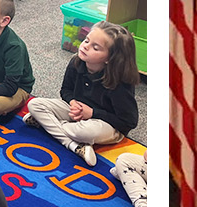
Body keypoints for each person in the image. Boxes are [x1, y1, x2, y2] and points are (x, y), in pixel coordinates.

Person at [25, 23, 139, 167]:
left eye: (95, 47)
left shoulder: (119, 82)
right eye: (86, 40)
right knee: (34, 104)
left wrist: (92, 113)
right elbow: (65, 90)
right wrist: (72, 102)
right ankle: (74, 145)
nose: (85, 46)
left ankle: (48, 124)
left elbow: (128, 121)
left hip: (107, 124)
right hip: (77, 112)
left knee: (83, 133)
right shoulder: (76, 62)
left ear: (109, 58)